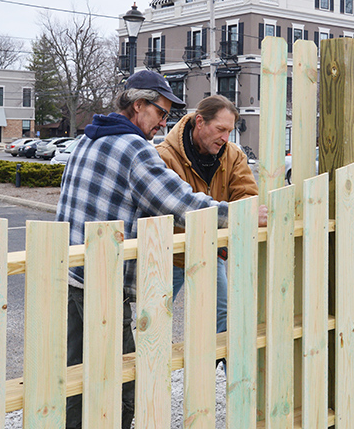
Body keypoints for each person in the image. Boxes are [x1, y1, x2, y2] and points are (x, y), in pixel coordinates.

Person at [56, 70, 243, 429]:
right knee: (121, 383)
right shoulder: (133, 147)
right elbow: (180, 203)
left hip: (72, 276)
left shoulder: (88, 139)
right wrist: (240, 215)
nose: (164, 122)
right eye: (160, 112)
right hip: (102, 283)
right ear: (138, 104)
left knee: (77, 377)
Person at [156, 95, 258, 337]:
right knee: (154, 319)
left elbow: (247, 198)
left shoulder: (233, 155)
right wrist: (225, 217)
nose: (225, 138)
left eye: (230, 131)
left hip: (211, 252)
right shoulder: (163, 157)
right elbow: (169, 207)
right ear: (199, 122)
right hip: (170, 255)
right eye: (220, 129)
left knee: (222, 323)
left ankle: (223, 373)